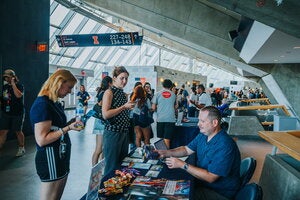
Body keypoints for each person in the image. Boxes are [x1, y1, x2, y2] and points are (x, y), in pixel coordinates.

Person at [156, 106, 241, 200]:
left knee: (172, 195)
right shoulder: (203, 135)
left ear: (215, 123)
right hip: (203, 183)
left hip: (219, 192)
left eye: (202, 121)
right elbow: (186, 149)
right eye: (199, 120)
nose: (198, 124)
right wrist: (166, 153)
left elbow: (211, 177)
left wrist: (182, 165)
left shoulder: (225, 145)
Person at [30, 69, 84, 200]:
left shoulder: (54, 102)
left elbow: (56, 126)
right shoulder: (42, 104)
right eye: (69, 87)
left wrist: (70, 123)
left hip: (59, 156)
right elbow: (42, 139)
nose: (70, 91)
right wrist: (67, 128)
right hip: (50, 158)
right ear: (59, 83)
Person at [102, 66, 135, 176]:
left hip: (124, 133)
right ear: (114, 78)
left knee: (122, 164)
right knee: (111, 166)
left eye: (126, 79)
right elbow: (105, 114)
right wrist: (124, 107)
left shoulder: (122, 93)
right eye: (122, 78)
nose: (124, 81)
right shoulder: (109, 92)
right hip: (113, 133)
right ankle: (106, 190)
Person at [0, 69, 26, 157]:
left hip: (17, 113)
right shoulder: (5, 87)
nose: (6, 78)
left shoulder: (19, 86)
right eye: (5, 77)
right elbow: (4, 99)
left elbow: (18, 95)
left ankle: (21, 148)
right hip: (6, 113)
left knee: (18, 131)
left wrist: (13, 84)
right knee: (3, 131)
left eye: (8, 77)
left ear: (13, 77)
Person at [91, 76, 112, 166]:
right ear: (110, 83)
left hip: (99, 122)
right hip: (101, 123)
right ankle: (95, 169)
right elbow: (102, 106)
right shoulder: (105, 93)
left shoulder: (101, 91)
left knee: (102, 148)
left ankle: (100, 169)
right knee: (99, 148)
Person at [152, 79, 176, 149]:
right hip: (171, 118)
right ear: (171, 86)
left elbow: (153, 108)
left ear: (162, 85)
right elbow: (175, 107)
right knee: (167, 139)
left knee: (160, 139)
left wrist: (160, 109)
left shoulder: (157, 94)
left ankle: (162, 155)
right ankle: (166, 156)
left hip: (161, 118)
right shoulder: (173, 95)